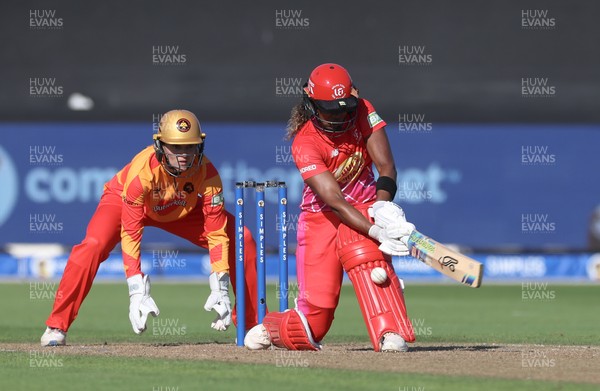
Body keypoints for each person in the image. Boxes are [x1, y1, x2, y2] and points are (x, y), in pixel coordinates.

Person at [41, 109, 260, 346]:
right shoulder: (142, 174)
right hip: (125, 201)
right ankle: (56, 326)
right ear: (160, 146)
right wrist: (136, 290)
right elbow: (131, 233)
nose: (184, 155)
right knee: (92, 246)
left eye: (190, 147)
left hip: (180, 208)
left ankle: (251, 325)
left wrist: (221, 286)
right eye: (175, 147)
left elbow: (217, 233)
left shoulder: (209, 174)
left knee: (243, 239)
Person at [244, 63, 416, 352]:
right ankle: (271, 328)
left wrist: (383, 207)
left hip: (364, 206)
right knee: (316, 322)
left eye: (344, 108)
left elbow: (387, 166)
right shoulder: (305, 142)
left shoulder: (363, 110)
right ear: (311, 104)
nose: (339, 116)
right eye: (330, 110)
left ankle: (389, 332)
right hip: (320, 219)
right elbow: (334, 201)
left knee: (375, 267)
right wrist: (376, 230)